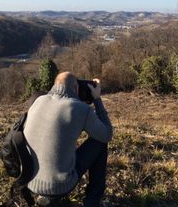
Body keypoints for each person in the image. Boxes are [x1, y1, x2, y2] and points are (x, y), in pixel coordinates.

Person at [23, 71, 113, 207]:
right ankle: (92, 202)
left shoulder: (38, 101)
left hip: (29, 180)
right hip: (59, 185)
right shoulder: (80, 108)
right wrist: (96, 99)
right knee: (100, 142)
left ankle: (45, 197)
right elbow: (107, 134)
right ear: (76, 88)